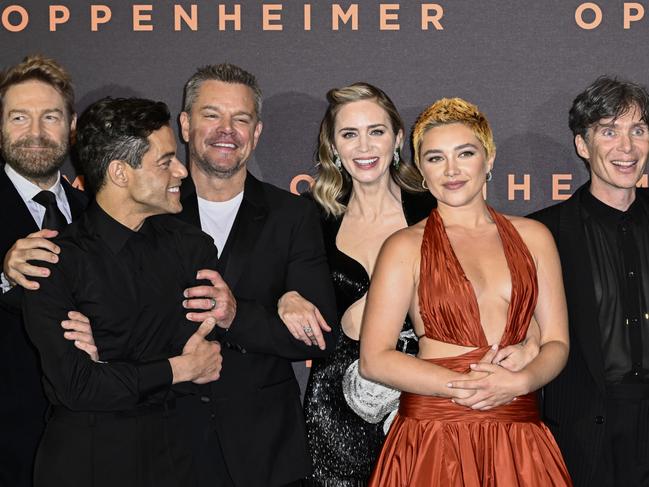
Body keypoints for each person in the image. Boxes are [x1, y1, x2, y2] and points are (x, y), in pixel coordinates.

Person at [22, 97, 234, 487]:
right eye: (165, 161)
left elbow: (206, 357)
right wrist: (176, 368)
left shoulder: (193, 247)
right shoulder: (53, 262)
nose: (182, 171)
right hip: (88, 462)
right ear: (120, 173)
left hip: (180, 457)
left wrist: (112, 366)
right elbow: (78, 387)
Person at [360, 97, 572, 486]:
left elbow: (557, 342)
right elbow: (374, 359)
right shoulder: (403, 247)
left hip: (519, 440)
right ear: (421, 170)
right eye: (435, 158)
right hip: (433, 440)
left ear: (489, 160)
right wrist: (468, 387)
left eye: (465, 153)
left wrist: (520, 382)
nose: (452, 170)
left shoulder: (535, 237)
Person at [175, 63, 338, 487]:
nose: (226, 130)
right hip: (167, 442)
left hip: (265, 451)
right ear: (186, 124)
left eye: (240, 119)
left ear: (257, 132)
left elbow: (320, 337)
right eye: (212, 115)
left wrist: (237, 317)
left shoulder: (292, 216)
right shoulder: (154, 211)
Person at [298, 82, 434, 486]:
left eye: (376, 131)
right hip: (335, 410)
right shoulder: (310, 219)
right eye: (349, 134)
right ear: (333, 147)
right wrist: (288, 296)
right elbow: (280, 290)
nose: (364, 146)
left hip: (422, 397)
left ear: (397, 138)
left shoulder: (435, 210)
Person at [530, 77, 649, 487]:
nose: (627, 147)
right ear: (583, 145)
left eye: (638, 130)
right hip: (583, 436)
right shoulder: (542, 233)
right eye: (609, 131)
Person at [0, 55, 87, 487]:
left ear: (71, 127)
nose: (35, 132)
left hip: (88, 447)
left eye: (50, 117)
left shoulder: (96, 215)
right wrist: (2, 275)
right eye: (19, 117)